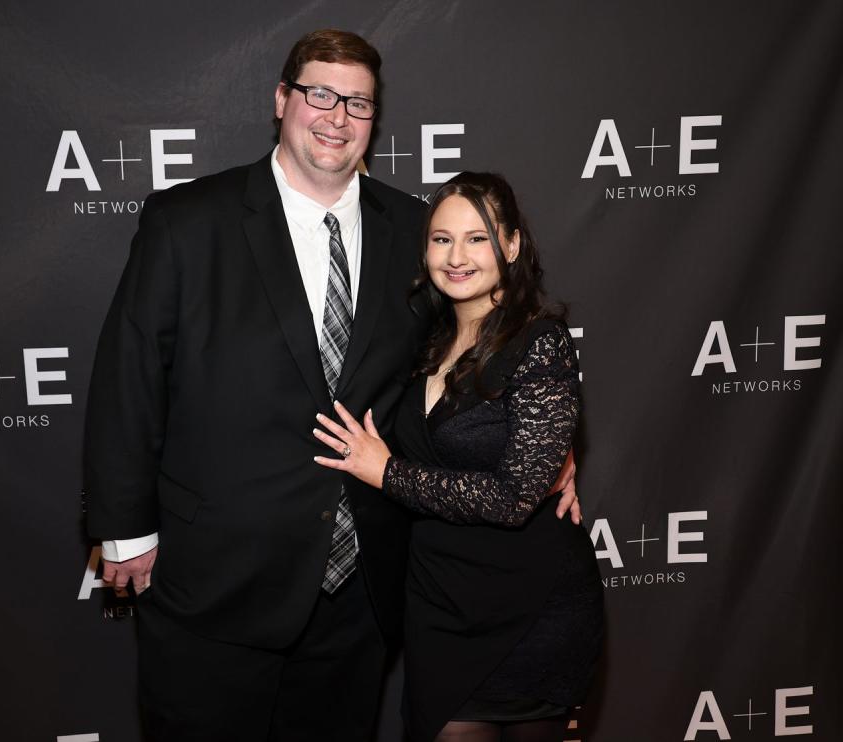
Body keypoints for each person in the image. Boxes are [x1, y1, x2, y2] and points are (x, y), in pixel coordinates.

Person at [84, 29, 581, 742]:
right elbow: (128, 375)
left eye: (358, 103)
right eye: (320, 94)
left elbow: (481, 350)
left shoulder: (416, 228)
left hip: (359, 589)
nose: (337, 117)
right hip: (217, 578)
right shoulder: (189, 220)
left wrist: (548, 451)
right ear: (281, 99)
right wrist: (124, 528)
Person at [314, 172, 603, 742]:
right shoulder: (422, 341)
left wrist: (386, 472)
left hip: (531, 607)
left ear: (512, 245)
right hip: (439, 605)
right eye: (442, 239)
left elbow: (513, 498)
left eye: (478, 238)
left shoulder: (539, 341)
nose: (457, 256)